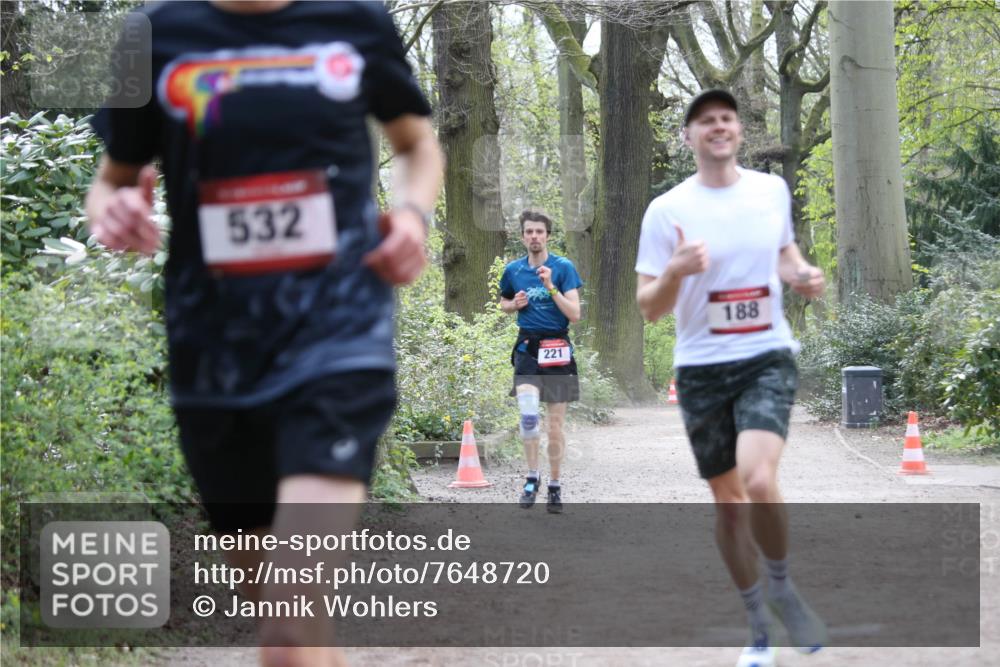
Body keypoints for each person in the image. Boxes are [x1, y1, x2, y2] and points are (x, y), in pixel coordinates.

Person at [85, 2, 443, 665]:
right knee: (299, 635)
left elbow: (416, 143)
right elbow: (109, 181)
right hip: (213, 360)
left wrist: (412, 215)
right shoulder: (154, 34)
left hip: (338, 340)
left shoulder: (354, 20)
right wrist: (115, 212)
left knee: (285, 628)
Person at [634, 90, 828, 667]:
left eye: (726, 118)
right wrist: (675, 270)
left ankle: (783, 588)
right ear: (688, 136)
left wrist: (803, 274)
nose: (718, 126)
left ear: (739, 130)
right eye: (705, 121)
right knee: (729, 505)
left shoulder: (770, 191)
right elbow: (649, 307)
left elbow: (784, 255)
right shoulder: (666, 210)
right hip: (701, 368)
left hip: (766, 354)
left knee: (759, 478)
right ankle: (758, 626)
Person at [499, 210, 583, 513]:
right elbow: (503, 303)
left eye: (539, 231)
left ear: (547, 235)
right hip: (528, 348)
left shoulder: (563, 267)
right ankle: (532, 477)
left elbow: (575, 314)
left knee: (555, 427)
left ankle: (555, 485)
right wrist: (514, 304)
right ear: (523, 236)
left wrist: (550, 287)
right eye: (529, 231)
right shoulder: (513, 270)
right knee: (528, 417)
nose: (534, 236)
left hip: (557, 347)